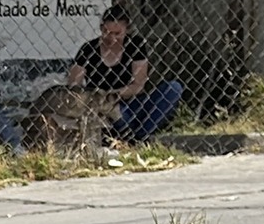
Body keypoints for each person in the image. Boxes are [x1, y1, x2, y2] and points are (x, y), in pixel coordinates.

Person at [67, 9, 182, 143]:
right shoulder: (88, 49)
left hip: (132, 102)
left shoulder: (136, 45)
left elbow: (138, 85)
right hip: (104, 108)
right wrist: (92, 99)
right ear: (101, 28)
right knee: (120, 119)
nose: (112, 39)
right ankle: (135, 137)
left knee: (173, 88)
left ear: (127, 30)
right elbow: (74, 84)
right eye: (107, 32)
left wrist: (114, 94)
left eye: (117, 34)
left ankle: (139, 135)